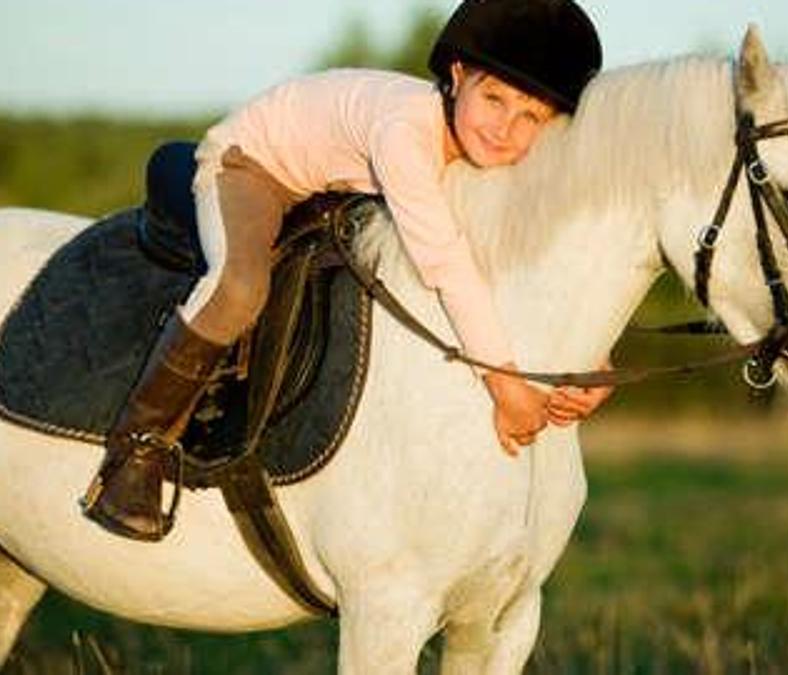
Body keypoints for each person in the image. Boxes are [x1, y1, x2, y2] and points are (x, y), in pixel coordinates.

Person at [80, 0, 608, 542]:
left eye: (530, 117)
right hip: (254, 164)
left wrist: (589, 360)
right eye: (494, 99)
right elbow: (448, 264)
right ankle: (133, 452)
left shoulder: (479, 150)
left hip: (329, 186)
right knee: (240, 288)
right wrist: (505, 387)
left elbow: (515, 259)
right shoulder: (404, 132)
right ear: (457, 76)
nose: (505, 129)